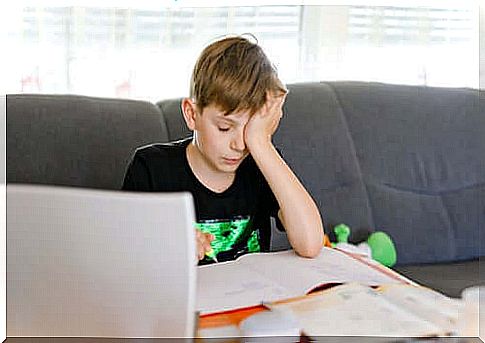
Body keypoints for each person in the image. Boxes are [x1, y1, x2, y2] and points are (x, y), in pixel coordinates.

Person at [122, 35, 324, 264]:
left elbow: (310, 243)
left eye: (250, 130)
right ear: (191, 114)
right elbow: (126, 255)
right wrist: (166, 245)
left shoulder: (260, 164)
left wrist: (261, 143)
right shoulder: (151, 169)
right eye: (224, 127)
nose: (239, 145)